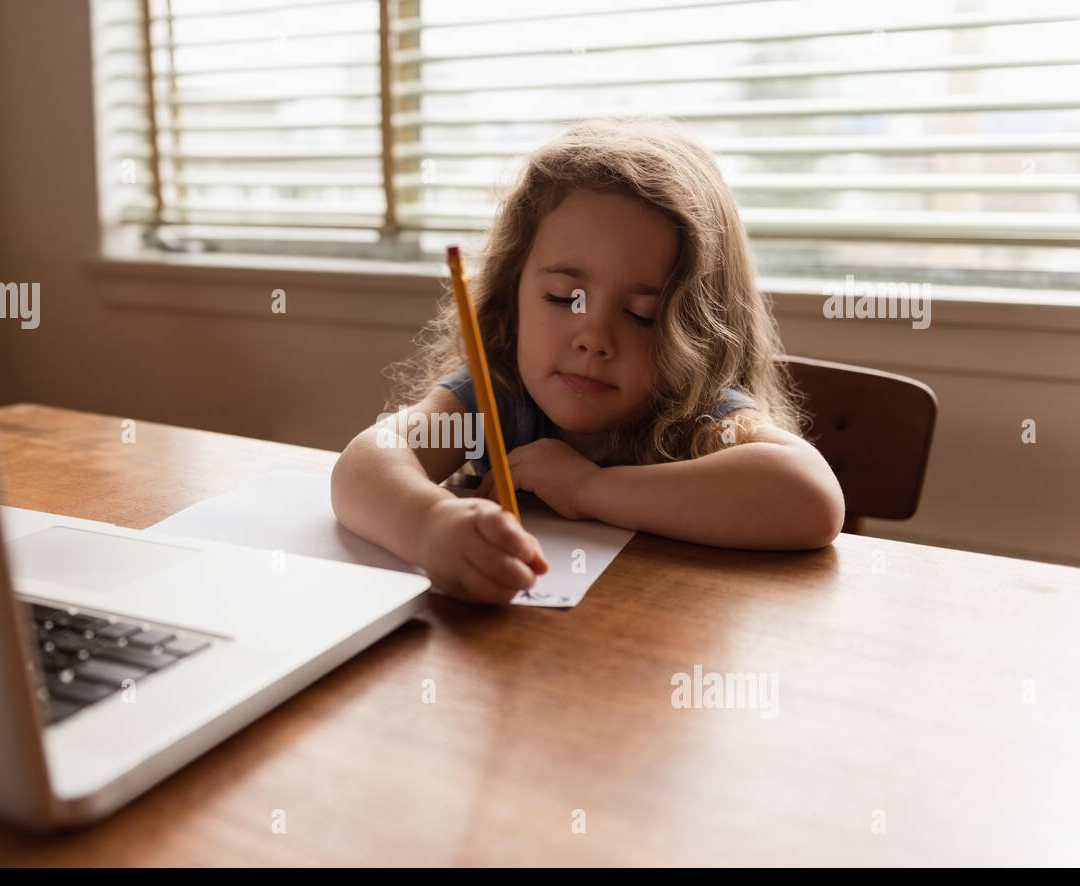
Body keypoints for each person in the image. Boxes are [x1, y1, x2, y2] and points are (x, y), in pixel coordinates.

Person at [332, 117, 845, 604]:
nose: (594, 338)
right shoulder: (497, 398)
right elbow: (364, 463)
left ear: (699, 333)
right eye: (561, 297)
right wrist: (431, 527)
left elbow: (811, 499)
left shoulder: (698, 416)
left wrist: (589, 489)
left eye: (642, 314)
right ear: (512, 298)